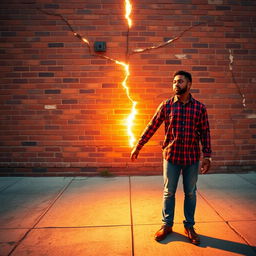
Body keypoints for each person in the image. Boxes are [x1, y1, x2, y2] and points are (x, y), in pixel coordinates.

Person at [130, 70, 212, 245]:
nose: (176, 84)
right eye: (174, 81)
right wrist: (139, 145)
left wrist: (208, 156)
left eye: (180, 81)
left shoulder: (199, 108)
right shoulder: (166, 105)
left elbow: (205, 133)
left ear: (189, 85)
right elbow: (152, 126)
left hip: (191, 158)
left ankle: (189, 226)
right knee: (169, 192)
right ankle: (167, 225)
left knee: (190, 193)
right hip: (171, 156)